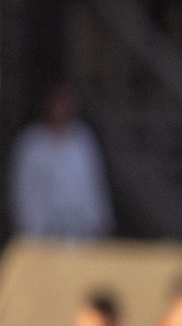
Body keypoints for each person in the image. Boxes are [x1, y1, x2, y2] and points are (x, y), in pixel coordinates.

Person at [8, 82, 113, 240]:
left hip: (81, 234)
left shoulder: (83, 140)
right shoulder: (32, 144)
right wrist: (29, 230)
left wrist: (100, 222)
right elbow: (23, 189)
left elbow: (95, 184)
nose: (61, 110)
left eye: (65, 105)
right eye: (57, 105)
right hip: (42, 234)